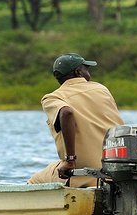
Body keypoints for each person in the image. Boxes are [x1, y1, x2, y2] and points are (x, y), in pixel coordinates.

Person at [28, 53, 124, 187]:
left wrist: (70, 160)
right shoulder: (101, 89)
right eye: (86, 69)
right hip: (119, 169)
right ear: (78, 72)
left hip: (86, 173)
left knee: (34, 181)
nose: (88, 73)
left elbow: (66, 113)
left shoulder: (53, 98)